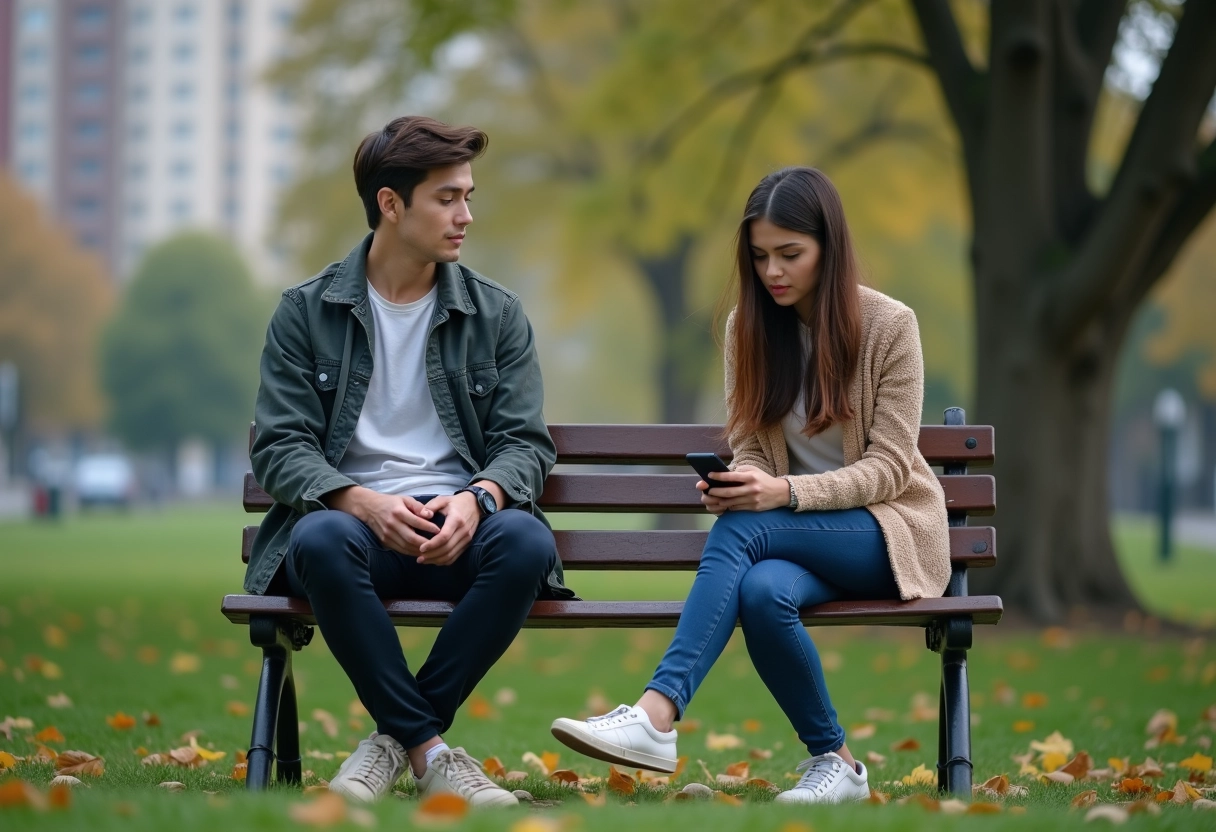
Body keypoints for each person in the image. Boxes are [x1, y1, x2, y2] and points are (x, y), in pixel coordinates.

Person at [550, 166, 950, 804]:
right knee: (763, 595)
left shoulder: (890, 326)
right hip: (794, 540)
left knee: (746, 528)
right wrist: (744, 482)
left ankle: (657, 713)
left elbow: (891, 467)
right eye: (760, 256)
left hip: (886, 534)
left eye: (790, 254)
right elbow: (753, 445)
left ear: (829, 246)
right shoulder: (748, 328)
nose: (773, 271)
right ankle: (839, 765)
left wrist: (780, 496)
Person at [247, 115, 573, 807]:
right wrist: (358, 501)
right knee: (321, 538)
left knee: (525, 541)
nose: (466, 215)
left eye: (468, 196)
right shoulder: (306, 312)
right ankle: (431, 753)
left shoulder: (496, 314)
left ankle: (392, 745)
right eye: (447, 198)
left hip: (458, 530)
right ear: (391, 204)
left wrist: (478, 499)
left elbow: (525, 443)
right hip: (353, 534)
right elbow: (280, 445)